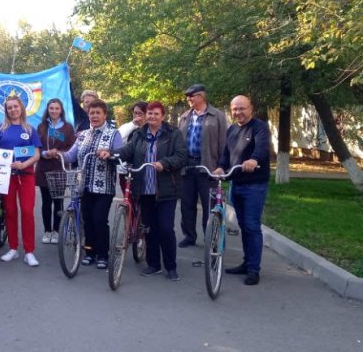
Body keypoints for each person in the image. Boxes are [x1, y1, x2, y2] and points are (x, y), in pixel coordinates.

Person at [108, 101, 186, 281]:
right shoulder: (139, 134)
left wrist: (164, 163)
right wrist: (111, 154)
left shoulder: (173, 134)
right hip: (144, 189)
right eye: (149, 113)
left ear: (163, 116)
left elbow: (181, 156)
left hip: (166, 190)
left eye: (156, 114)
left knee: (166, 228)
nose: (152, 116)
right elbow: (127, 151)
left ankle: (171, 267)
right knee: (150, 228)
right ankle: (154, 264)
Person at [48, 99, 122, 269]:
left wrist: (109, 153)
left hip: (104, 187)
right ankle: (89, 252)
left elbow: (120, 154)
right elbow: (71, 156)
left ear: (104, 115)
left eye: (98, 113)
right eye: (92, 113)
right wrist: (57, 154)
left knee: (99, 219)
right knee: (87, 220)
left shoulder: (113, 134)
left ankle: (103, 254)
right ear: (88, 115)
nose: (95, 116)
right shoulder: (83, 135)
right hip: (84, 186)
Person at [215, 95, 271, 286]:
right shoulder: (232, 130)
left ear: (251, 108)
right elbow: (226, 155)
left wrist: (254, 159)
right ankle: (247, 263)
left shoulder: (259, 127)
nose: (238, 112)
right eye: (235, 109)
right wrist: (221, 167)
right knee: (243, 225)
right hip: (236, 183)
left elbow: (263, 148)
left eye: (242, 108)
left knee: (252, 225)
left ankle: (254, 269)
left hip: (254, 184)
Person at [0, 96, 42, 267]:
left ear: (21, 108)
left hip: (26, 176)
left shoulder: (30, 129)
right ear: (6, 110)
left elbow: (36, 154)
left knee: (28, 212)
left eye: (15, 106)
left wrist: (24, 164)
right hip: (5, 176)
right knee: (10, 211)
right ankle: (13, 248)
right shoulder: (0, 128)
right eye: (9, 108)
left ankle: (29, 251)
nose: (13, 110)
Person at [177, 84, 227, 247]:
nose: (189, 99)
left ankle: (210, 237)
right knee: (187, 204)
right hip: (187, 166)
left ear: (202, 96)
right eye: (187, 97)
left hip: (208, 166)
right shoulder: (184, 116)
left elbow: (223, 143)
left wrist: (221, 165)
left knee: (209, 205)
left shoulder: (217, 115)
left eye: (192, 96)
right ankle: (189, 236)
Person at [35, 98, 76, 244]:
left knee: (58, 202)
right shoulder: (41, 127)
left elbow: (72, 147)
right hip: (44, 169)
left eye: (56, 108)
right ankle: (47, 231)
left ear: (61, 111)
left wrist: (57, 152)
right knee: (46, 202)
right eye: (51, 108)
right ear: (48, 110)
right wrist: (45, 153)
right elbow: (36, 146)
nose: (54, 111)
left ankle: (57, 231)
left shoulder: (68, 128)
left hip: (59, 168)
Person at [117, 101, 148, 194]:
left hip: (142, 169)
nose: (137, 116)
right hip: (126, 170)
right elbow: (118, 137)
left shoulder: (150, 129)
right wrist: (133, 124)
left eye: (140, 113)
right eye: (135, 113)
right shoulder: (128, 127)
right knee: (128, 198)